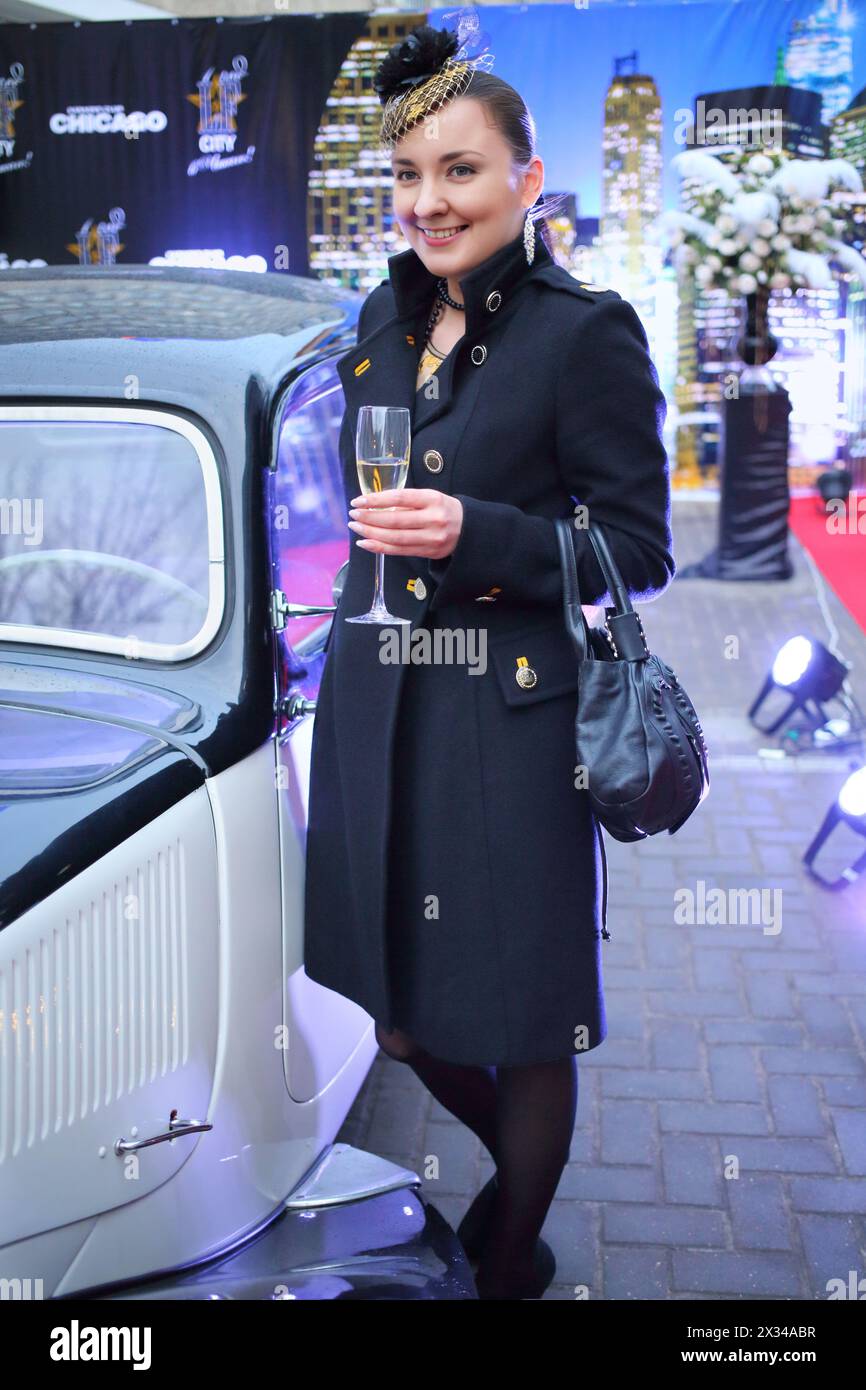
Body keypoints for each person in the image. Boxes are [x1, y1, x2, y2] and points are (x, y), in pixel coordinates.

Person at [303, 23, 675, 1300]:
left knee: (522, 1024)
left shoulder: (585, 333)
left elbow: (636, 546)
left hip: (510, 730)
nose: (427, 202)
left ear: (525, 177)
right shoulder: (379, 315)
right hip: (373, 706)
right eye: (408, 175)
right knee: (390, 1008)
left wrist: (484, 535)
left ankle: (505, 1257)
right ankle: (509, 1217)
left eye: (458, 172)